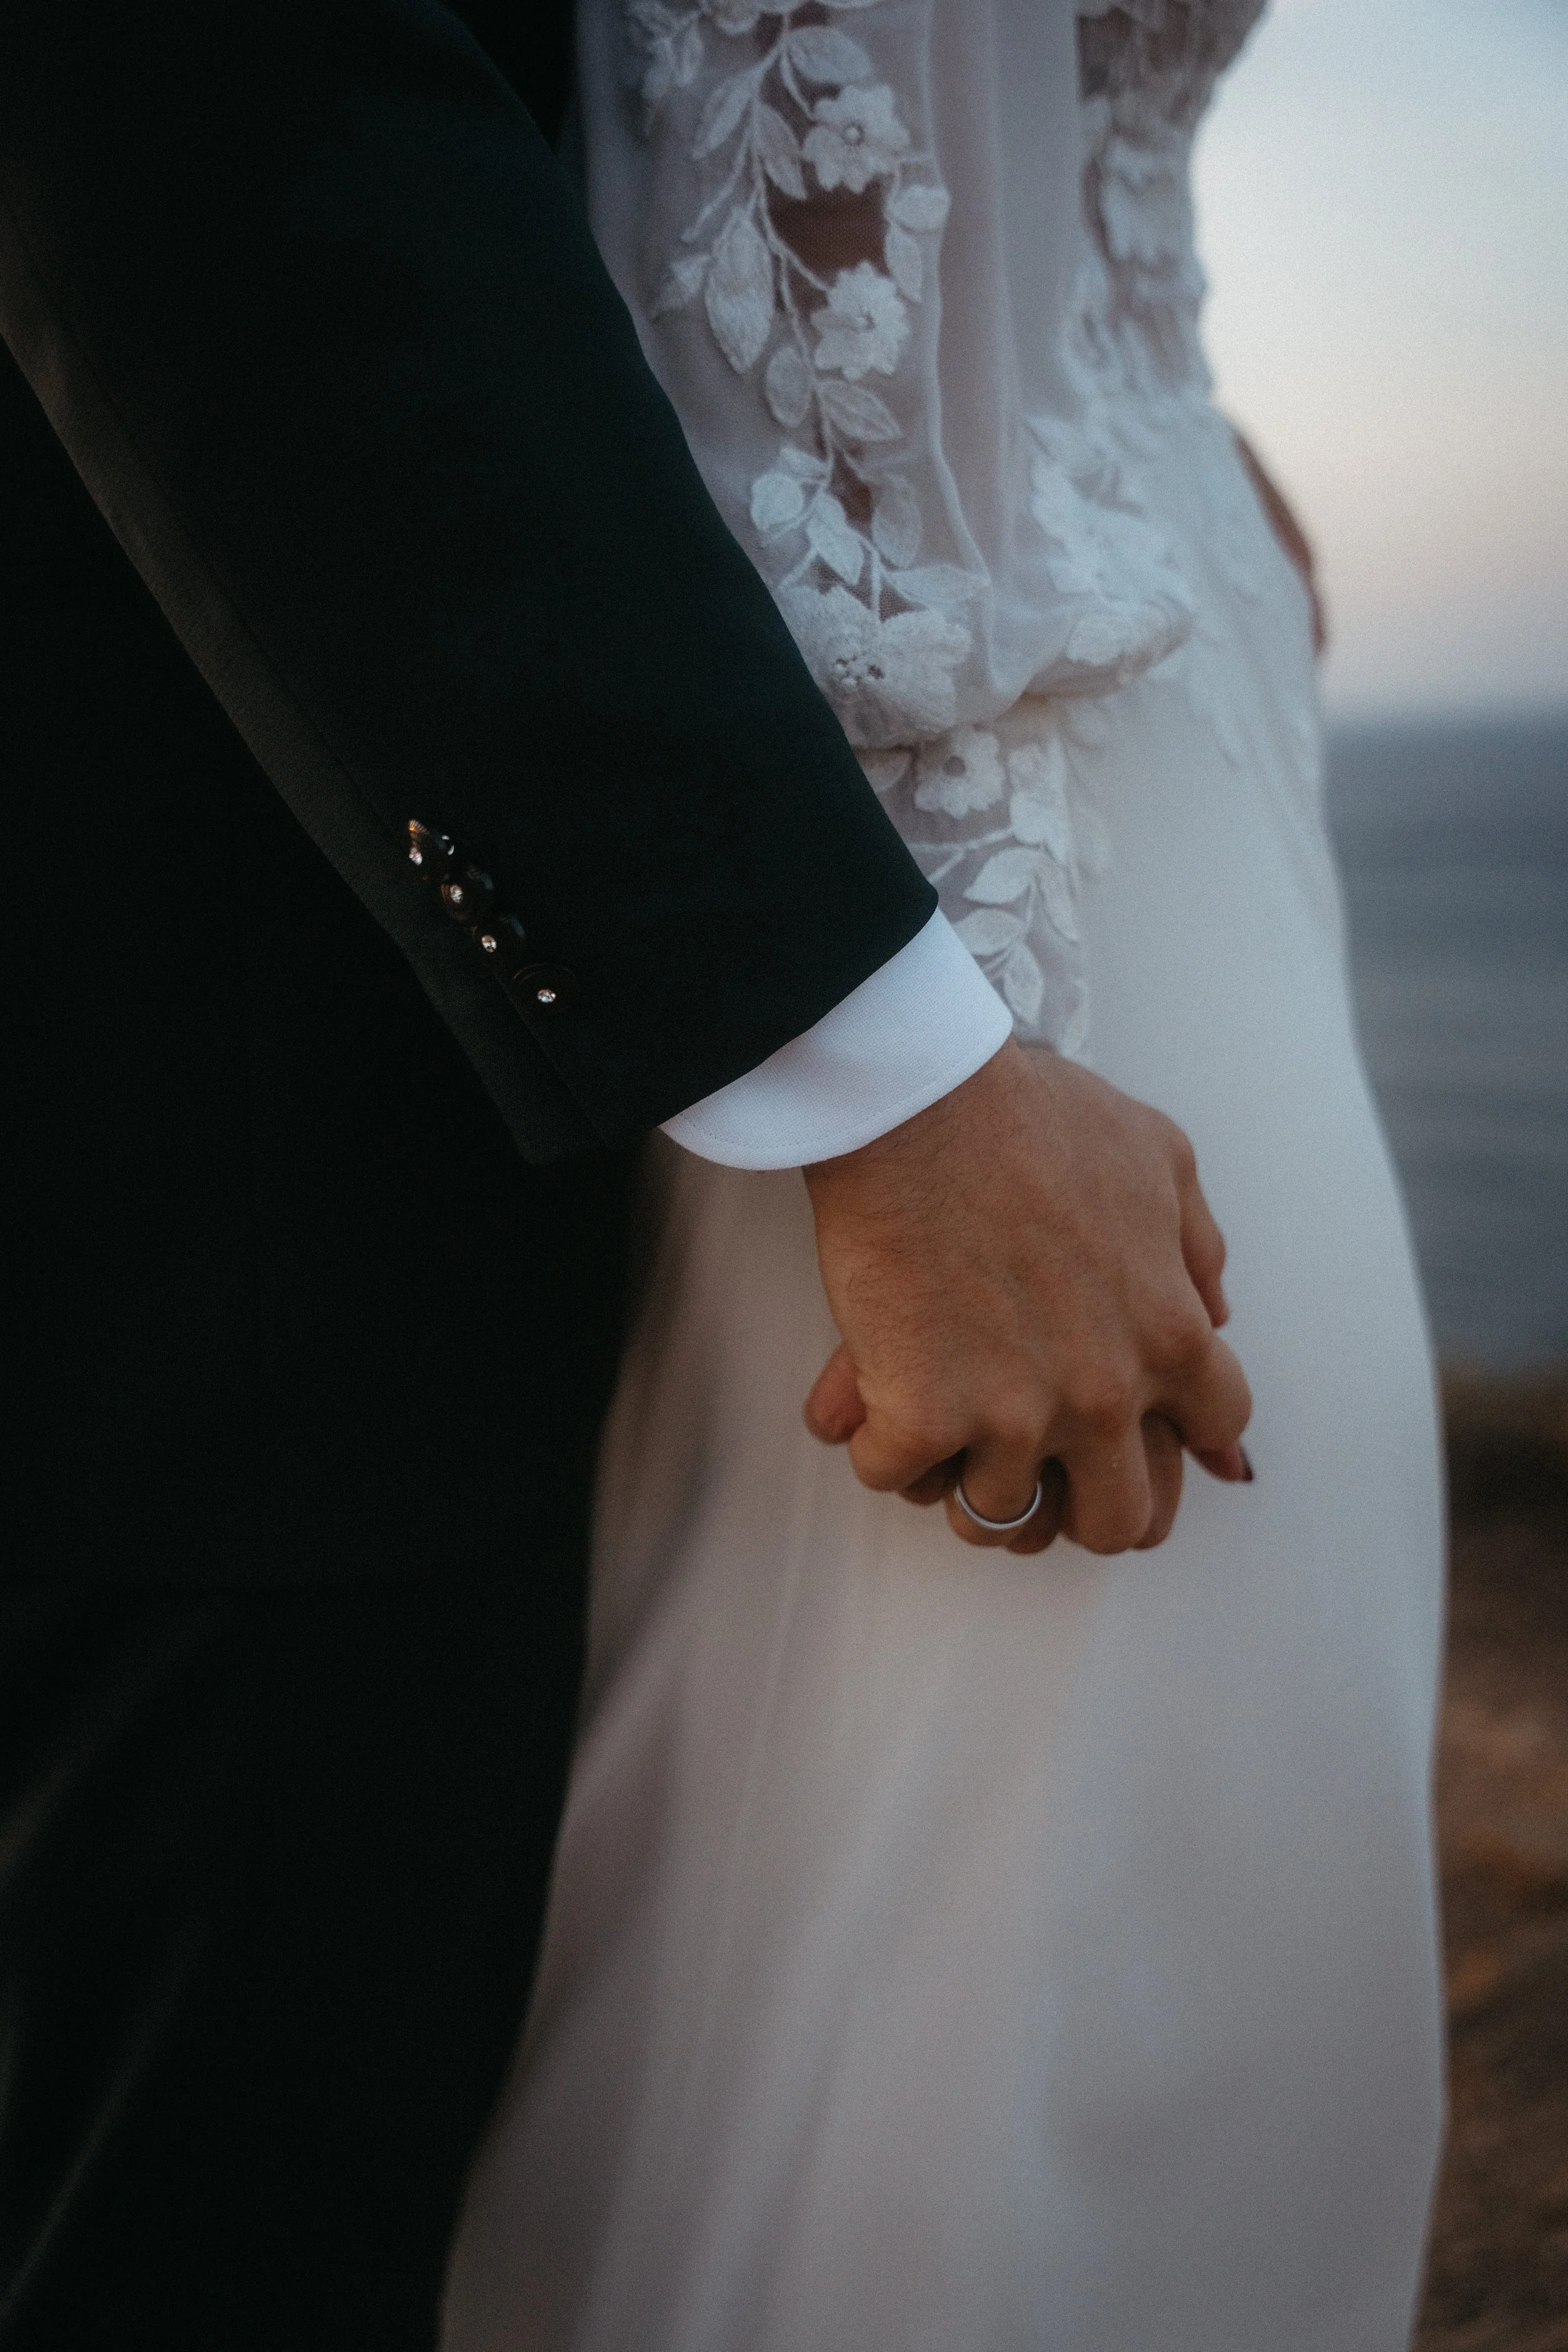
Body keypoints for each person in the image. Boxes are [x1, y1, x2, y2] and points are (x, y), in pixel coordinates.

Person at [0, 3, 1252, 2344]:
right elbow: (207, 110)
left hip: (1166, 758)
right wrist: (865, 1058)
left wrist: (1117, 408)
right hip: (316, 1085)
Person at [440, 4, 1447, 2349]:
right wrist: (906, 1063)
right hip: (963, 794)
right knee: (1011, 1902)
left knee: (1209, 1856)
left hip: (1128, 634)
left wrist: (1138, 393)